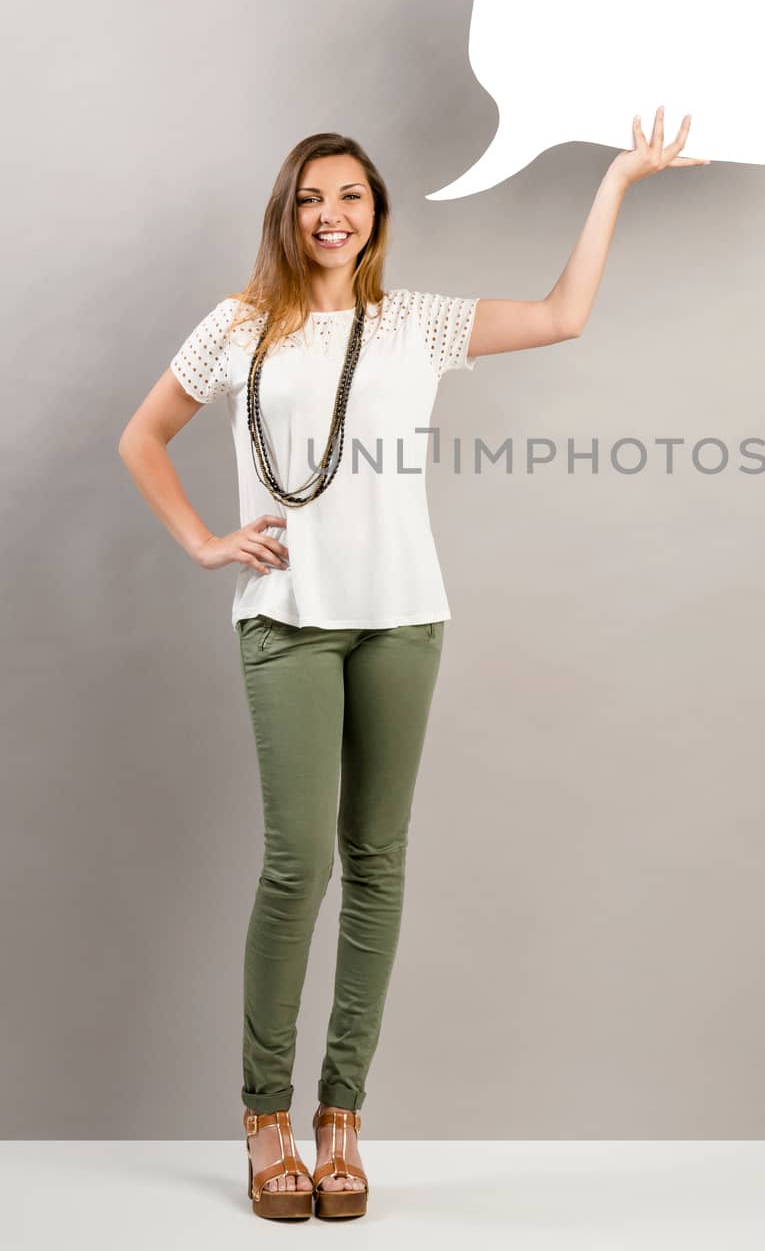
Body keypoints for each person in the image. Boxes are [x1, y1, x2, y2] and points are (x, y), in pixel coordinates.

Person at [118, 109, 707, 1219]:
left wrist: (620, 177)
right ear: (286, 217)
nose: (330, 214)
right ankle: (263, 1121)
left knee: (377, 862)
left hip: (403, 618)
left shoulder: (416, 324)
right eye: (309, 197)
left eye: (349, 195)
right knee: (299, 865)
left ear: (375, 213)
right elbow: (141, 433)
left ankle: (341, 1122)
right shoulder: (239, 325)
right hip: (288, 617)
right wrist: (204, 539)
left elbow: (562, 314)